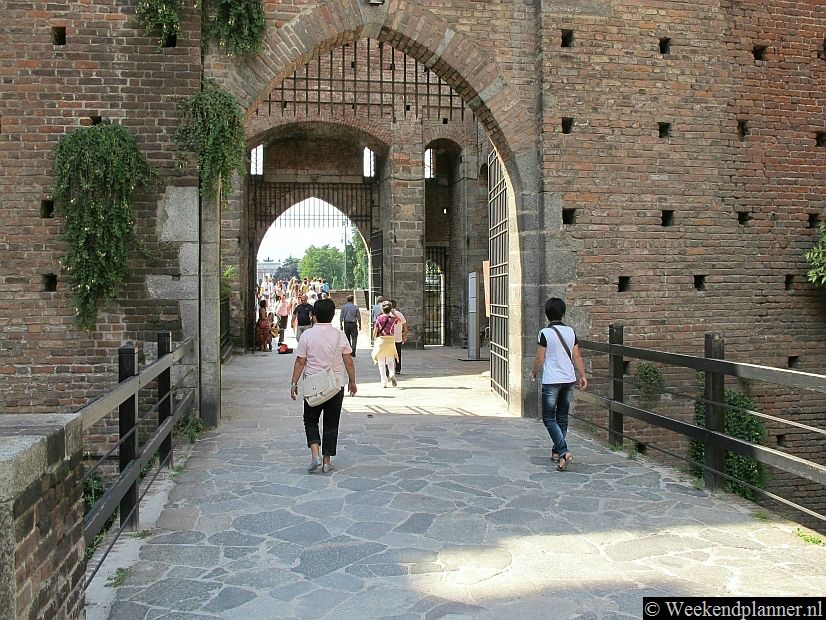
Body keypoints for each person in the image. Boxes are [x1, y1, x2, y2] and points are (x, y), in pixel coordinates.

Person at [290, 298, 357, 473]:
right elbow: (348, 361)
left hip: (313, 384)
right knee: (331, 422)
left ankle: (315, 454)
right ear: (333, 315)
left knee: (310, 419)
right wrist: (352, 381)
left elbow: (300, 362)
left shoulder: (307, 336)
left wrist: (293, 383)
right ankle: (327, 461)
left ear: (313, 315)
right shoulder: (339, 335)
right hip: (335, 385)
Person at [530, 297, 588, 472]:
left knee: (548, 418)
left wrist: (533, 372)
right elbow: (576, 355)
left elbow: (540, 358)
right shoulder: (571, 332)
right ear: (563, 313)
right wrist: (583, 375)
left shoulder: (544, 333)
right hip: (569, 379)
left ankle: (563, 451)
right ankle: (557, 452)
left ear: (547, 314)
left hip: (552, 380)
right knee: (562, 417)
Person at [371, 301, 398, 388]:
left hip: (381, 340)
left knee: (381, 362)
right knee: (390, 360)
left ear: (382, 309)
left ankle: (384, 381)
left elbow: (375, 329)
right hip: (390, 340)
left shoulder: (379, 318)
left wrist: (374, 339)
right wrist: (392, 312)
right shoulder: (393, 318)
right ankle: (392, 373)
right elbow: (399, 320)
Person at [389, 299, 408, 375]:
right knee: (398, 353)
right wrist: (405, 334)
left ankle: (388, 369)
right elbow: (405, 324)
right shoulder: (399, 314)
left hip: (389, 337)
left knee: (388, 354)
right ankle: (398, 369)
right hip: (398, 337)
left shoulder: (387, 314)